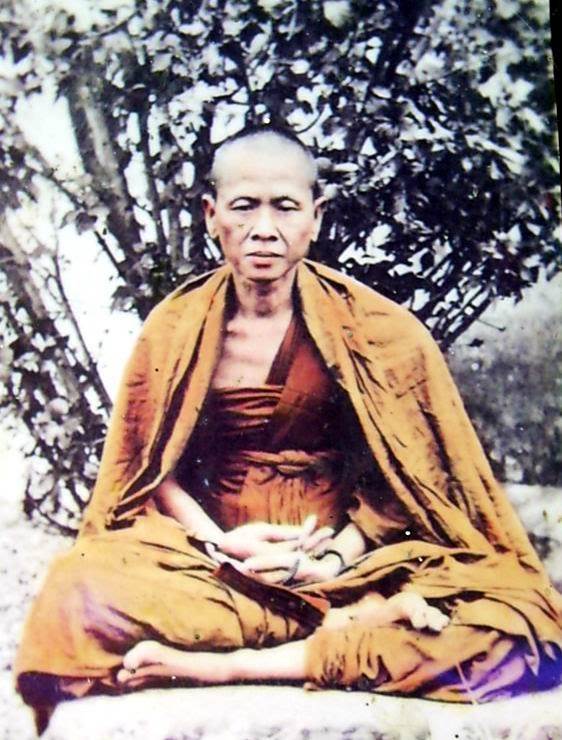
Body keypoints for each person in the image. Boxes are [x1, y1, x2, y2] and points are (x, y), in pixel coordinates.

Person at [16, 125, 562, 732]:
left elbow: (410, 476)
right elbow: (149, 469)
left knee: (515, 628)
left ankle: (231, 664)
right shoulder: (175, 328)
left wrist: (333, 559)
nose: (264, 229)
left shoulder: (378, 330)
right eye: (244, 206)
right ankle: (348, 627)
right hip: (216, 567)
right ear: (211, 215)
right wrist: (220, 544)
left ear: (316, 217)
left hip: (352, 564)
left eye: (285, 206)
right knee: (76, 595)